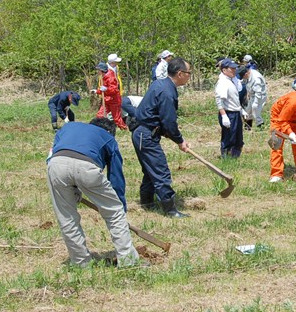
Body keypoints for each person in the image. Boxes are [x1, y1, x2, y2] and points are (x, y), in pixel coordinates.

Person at [46, 117, 141, 268]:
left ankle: (80, 263)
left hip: (56, 165)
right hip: (87, 167)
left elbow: (54, 154)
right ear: (111, 132)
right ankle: (128, 261)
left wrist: (71, 189)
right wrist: (119, 208)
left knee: (67, 218)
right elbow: (115, 177)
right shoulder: (108, 138)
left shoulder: (68, 127)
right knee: (114, 214)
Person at [132, 57, 192, 217]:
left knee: (150, 170)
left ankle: (147, 203)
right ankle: (170, 210)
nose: (189, 76)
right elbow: (169, 121)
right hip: (145, 134)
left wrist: (172, 136)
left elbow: (160, 118)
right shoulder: (166, 92)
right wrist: (180, 140)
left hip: (144, 132)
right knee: (160, 171)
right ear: (180, 74)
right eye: (188, 73)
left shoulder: (161, 84)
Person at [214, 58, 244, 158]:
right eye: (231, 69)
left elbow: (234, 98)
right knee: (229, 137)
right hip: (229, 113)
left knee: (238, 137)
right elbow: (219, 100)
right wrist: (224, 116)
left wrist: (241, 109)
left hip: (235, 112)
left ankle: (235, 157)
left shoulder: (231, 80)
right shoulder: (223, 82)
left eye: (235, 69)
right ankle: (226, 157)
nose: (234, 71)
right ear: (224, 70)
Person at [93, 62, 128, 130]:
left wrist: (106, 89)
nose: (97, 71)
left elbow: (114, 90)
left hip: (114, 100)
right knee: (100, 115)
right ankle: (100, 129)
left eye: (98, 70)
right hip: (107, 100)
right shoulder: (103, 76)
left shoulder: (110, 77)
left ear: (102, 70)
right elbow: (103, 89)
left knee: (116, 118)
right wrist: (97, 91)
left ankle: (124, 128)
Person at [240, 63, 268, 130]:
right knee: (248, 111)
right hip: (252, 95)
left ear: (246, 74)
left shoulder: (256, 78)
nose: (243, 78)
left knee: (255, 112)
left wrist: (256, 103)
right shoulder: (248, 74)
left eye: (243, 76)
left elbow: (258, 92)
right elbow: (244, 81)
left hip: (259, 96)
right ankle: (248, 127)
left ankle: (261, 127)